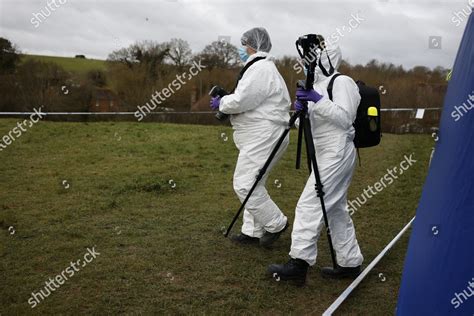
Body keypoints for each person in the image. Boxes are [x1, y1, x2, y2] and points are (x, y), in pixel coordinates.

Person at [268, 38, 364, 283]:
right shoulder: (317, 85)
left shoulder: (343, 82)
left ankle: (298, 264)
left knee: (310, 204)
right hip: (322, 152)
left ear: (326, 57)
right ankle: (349, 262)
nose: (306, 62)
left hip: (338, 150)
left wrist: (317, 100)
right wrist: (300, 108)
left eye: (312, 58)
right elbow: (306, 125)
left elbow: (345, 119)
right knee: (335, 210)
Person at [210, 27, 290, 247]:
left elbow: (243, 100)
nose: (241, 48)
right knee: (256, 183)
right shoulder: (261, 68)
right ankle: (252, 231)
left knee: (245, 184)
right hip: (264, 133)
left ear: (253, 45)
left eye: (244, 44)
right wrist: (227, 101)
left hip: (264, 134)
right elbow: (250, 99)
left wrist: (223, 103)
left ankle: (276, 224)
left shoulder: (261, 68)